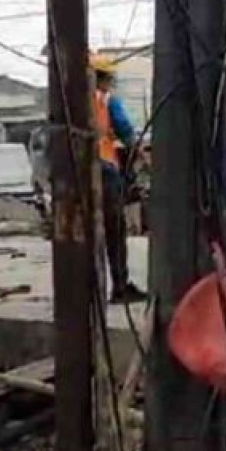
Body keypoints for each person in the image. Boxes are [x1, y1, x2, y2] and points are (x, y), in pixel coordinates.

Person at [92, 54, 147, 304]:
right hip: (105, 168)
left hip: (79, 172)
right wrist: (143, 157)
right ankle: (120, 287)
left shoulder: (71, 101)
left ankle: (90, 291)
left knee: (89, 233)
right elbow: (125, 129)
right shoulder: (107, 101)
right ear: (105, 78)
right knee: (115, 230)